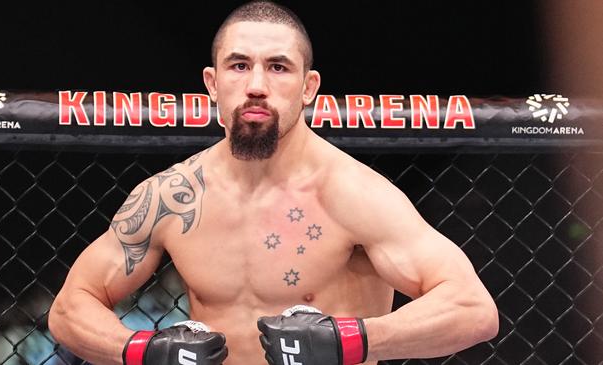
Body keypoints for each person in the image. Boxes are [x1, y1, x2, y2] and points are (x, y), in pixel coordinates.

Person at [48, 1, 499, 364]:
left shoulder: (352, 193)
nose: (257, 85)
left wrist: (352, 341)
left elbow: (471, 309)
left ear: (308, 86)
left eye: (279, 67)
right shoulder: (169, 197)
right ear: (212, 82)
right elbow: (71, 308)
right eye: (239, 65)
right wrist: (142, 351)